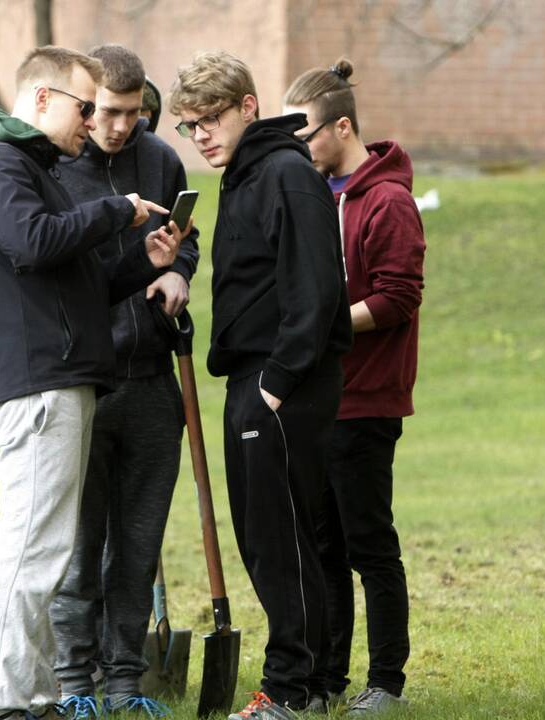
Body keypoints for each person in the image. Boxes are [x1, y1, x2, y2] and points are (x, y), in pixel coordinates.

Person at [0, 45, 189, 720]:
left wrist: (142, 260)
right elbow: (32, 242)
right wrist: (117, 212)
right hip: (37, 385)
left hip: (63, 380)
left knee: (46, 548)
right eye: (88, 107)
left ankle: (30, 696)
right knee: (32, 547)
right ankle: (1, 701)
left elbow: (77, 283)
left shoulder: (34, 169)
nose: (94, 123)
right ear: (45, 99)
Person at [168, 50, 352, 720]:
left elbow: (318, 290)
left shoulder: (283, 174)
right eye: (190, 126)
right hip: (253, 376)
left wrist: (276, 382)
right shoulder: (243, 177)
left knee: (280, 538)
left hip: (281, 384)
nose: (203, 135)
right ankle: (317, 680)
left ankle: (290, 691)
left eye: (211, 118)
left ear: (249, 106)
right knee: (270, 536)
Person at [48, 44, 200, 719]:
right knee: (80, 552)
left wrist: (178, 269)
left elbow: (185, 236)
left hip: (153, 381)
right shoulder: (53, 169)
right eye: (108, 112)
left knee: (137, 548)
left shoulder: (161, 159)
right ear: (86, 105)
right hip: (85, 381)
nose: (118, 128)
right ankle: (73, 684)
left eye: (133, 114)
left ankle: (124, 687)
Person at [283, 59, 426, 716]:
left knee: (369, 544)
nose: (300, 147)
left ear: (343, 125)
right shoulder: (319, 195)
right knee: (323, 548)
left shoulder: (389, 201)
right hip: (320, 402)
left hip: (367, 401)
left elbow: (397, 297)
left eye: (306, 133)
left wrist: (328, 327)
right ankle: (327, 682)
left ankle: (387, 683)